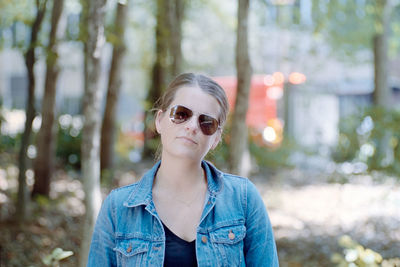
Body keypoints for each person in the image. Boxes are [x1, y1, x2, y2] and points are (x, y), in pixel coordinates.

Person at [88, 73, 279, 266]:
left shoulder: (243, 199)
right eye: (181, 114)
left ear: (216, 138)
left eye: (206, 122)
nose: (192, 127)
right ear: (159, 120)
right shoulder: (118, 208)